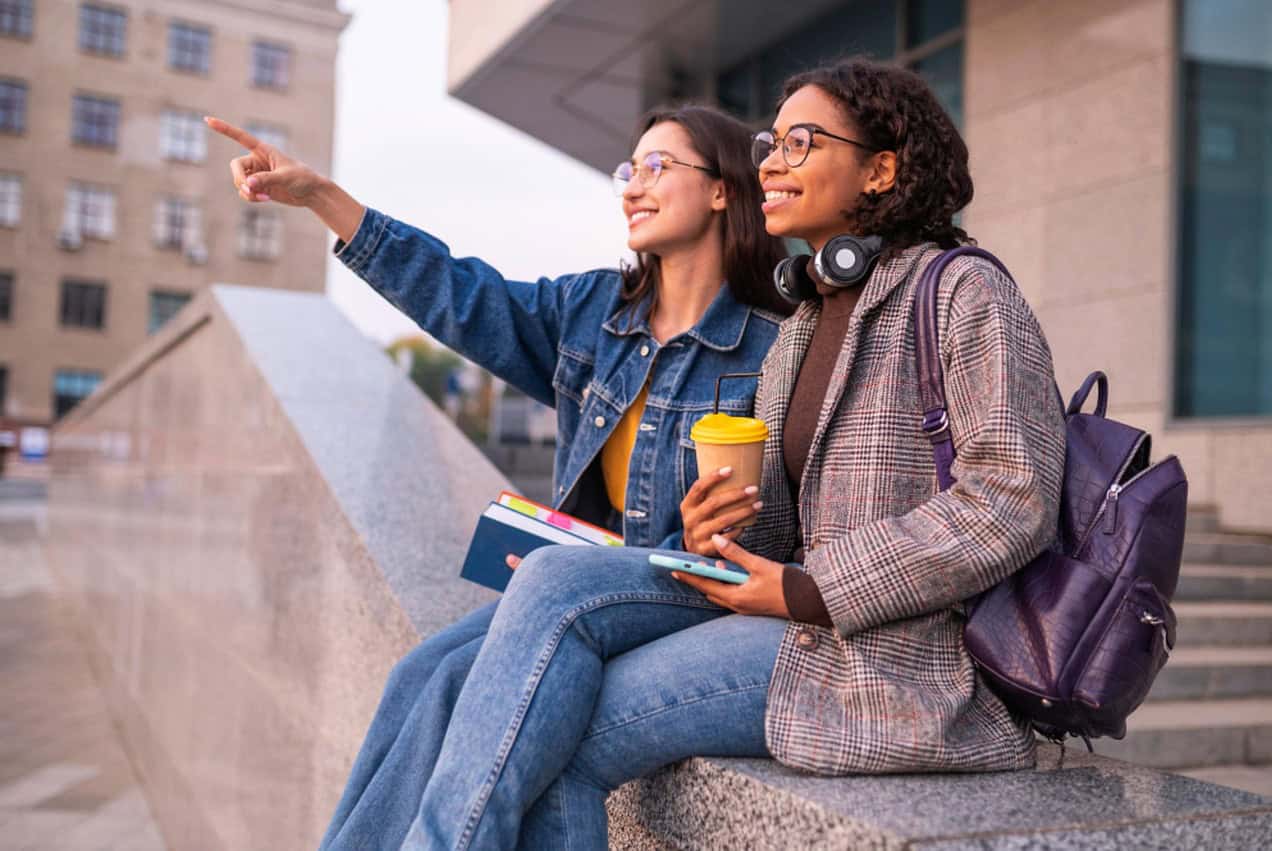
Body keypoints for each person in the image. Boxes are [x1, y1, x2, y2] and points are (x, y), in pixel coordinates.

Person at [369, 57, 1067, 850]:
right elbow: (784, 530)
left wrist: (811, 587)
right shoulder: (807, 320)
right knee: (544, 663)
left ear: (880, 169)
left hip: (893, 660)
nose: (771, 159)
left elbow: (1012, 498)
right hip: (797, 625)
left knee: (548, 681)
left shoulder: (963, 292)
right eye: (772, 141)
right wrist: (718, 529)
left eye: (801, 143)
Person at [205, 104, 789, 849]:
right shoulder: (594, 312)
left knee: (517, 657)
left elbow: (785, 518)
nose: (631, 188)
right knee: (424, 675)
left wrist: (637, 552)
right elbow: (461, 295)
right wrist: (322, 197)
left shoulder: (770, 345)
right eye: (626, 170)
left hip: (694, 591)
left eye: (656, 167)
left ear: (720, 191)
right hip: (594, 583)